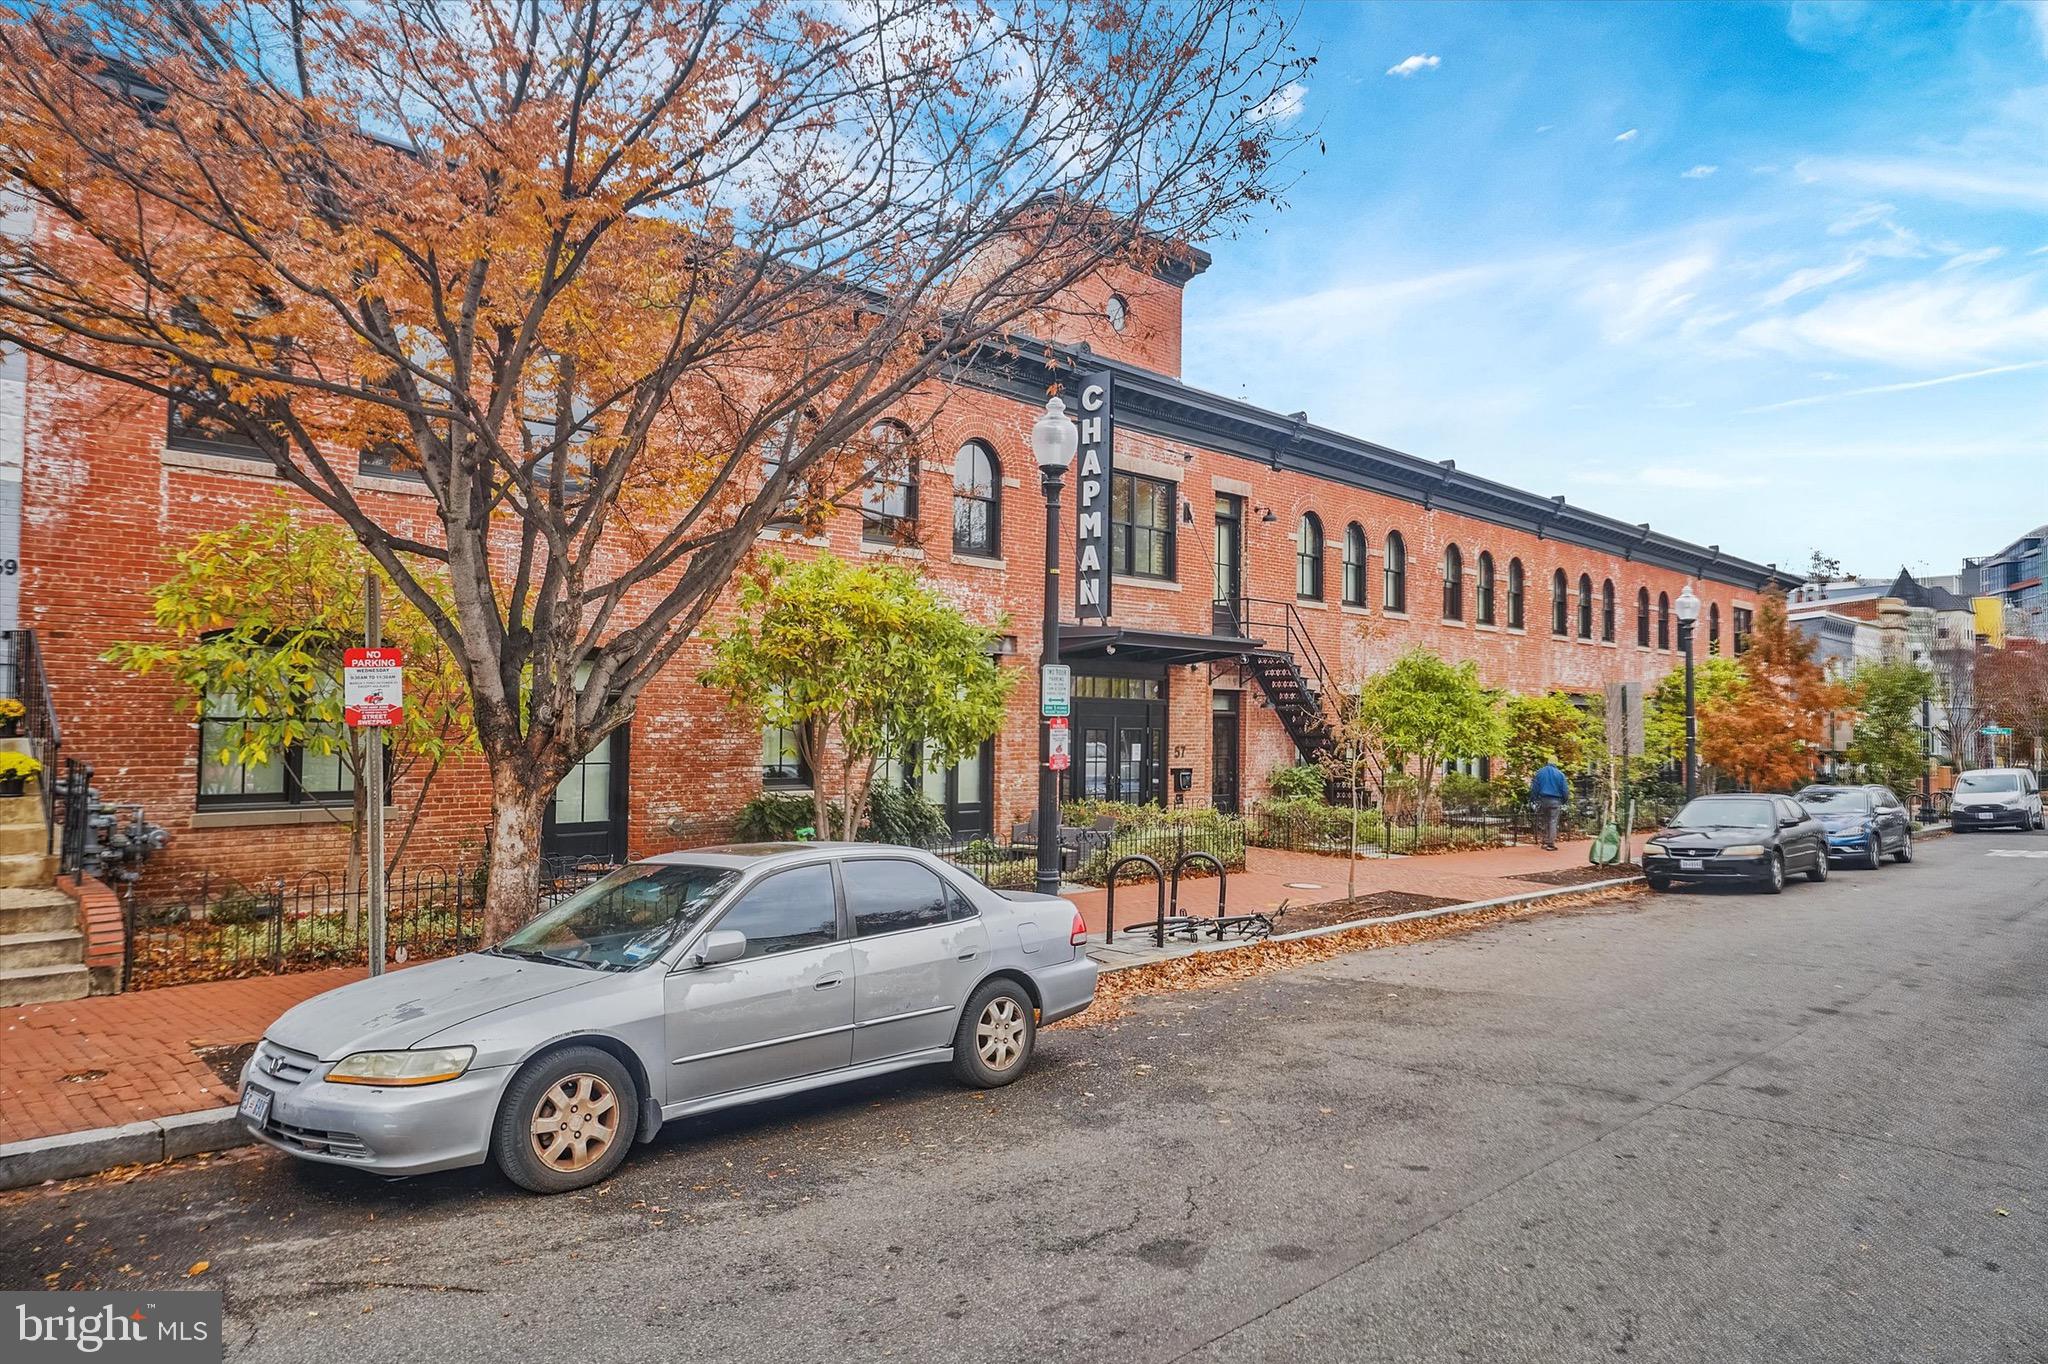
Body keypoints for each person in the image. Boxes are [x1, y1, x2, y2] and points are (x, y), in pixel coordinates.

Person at [1530, 761, 1570, 850]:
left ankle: (1544, 841)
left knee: (1544, 821)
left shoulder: (1540, 773)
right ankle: (1550, 843)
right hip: (1556, 801)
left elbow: (1534, 787)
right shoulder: (1560, 774)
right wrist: (1564, 800)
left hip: (1543, 800)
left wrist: (1533, 798)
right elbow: (1565, 790)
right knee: (1553, 821)